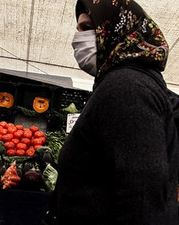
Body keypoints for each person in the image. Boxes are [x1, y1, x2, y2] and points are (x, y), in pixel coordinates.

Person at [55, 0, 179, 224]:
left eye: (85, 27)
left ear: (113, 28)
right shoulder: (129, 82)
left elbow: (142, 203)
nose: (77, 39)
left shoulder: (128, 87)